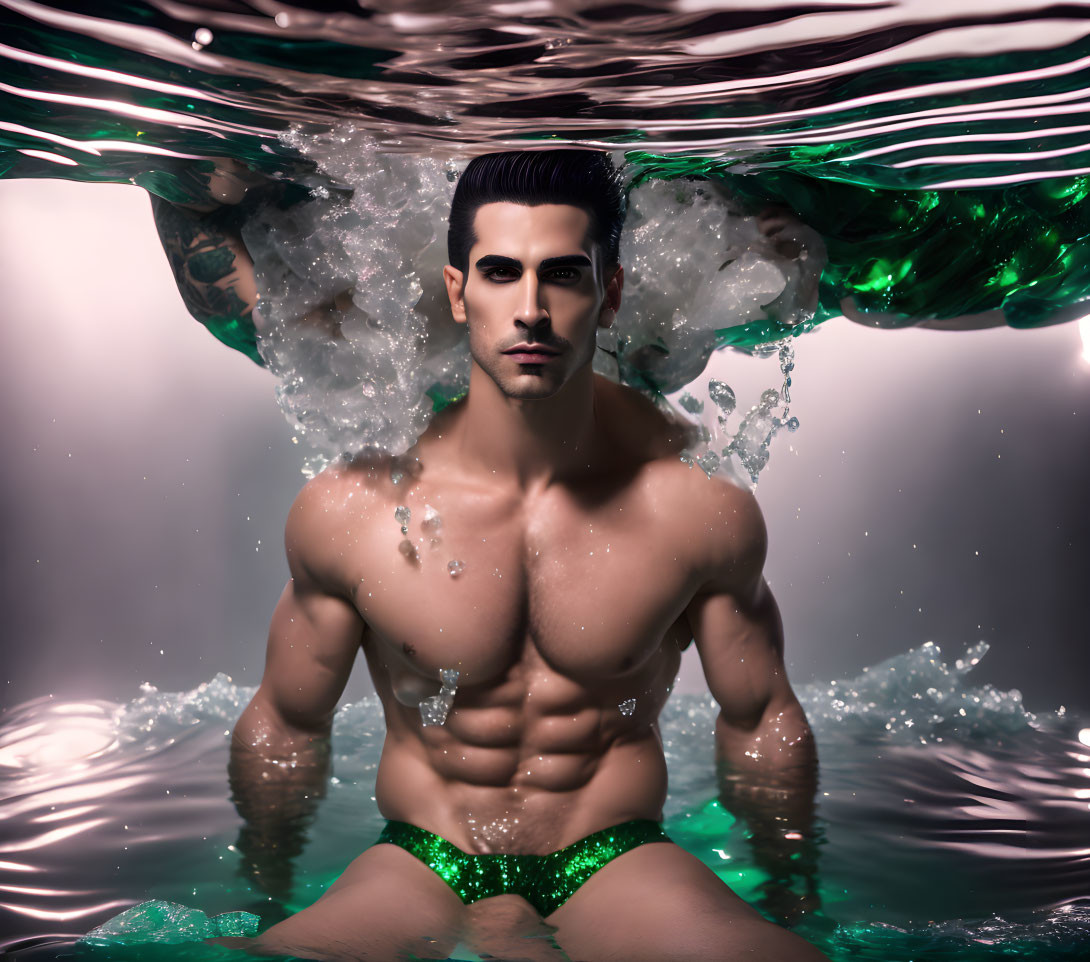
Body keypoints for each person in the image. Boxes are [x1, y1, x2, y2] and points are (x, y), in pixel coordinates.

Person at [155, 148, 830, 961]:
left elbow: (759, 715)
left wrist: (793, 894)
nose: (531, 310)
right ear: (457, 290)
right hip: (424, 861)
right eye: (501, 272)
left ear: (609, 293)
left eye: (565, 276)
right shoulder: (357, 510)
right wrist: (263, 895)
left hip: (612, 860)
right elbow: (288, 721)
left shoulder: (694, 508)